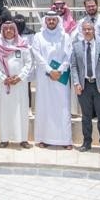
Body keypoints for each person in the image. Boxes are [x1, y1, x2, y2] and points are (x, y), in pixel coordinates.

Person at [31, 10, 73, 149]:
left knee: (62, 107)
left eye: (54, 20)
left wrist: (59, 70)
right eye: (49, 20)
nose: (51, 22)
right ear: (45, 21)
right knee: (44, 107)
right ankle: (43, 138)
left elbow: (68, 55)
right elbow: (37, 55)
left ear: (57, 21)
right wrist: (49, 70)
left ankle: (65, 140)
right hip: (44, 76)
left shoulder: (65, 36)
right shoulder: (38, 36)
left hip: (61, 77)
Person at [69, 21, 100, 154]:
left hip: (99, 86)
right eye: (85, 29)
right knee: (86, 116)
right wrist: (76, 83)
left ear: (94, 31)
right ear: (82, 31)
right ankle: (87, 142)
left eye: (90, 29)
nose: (87, 32)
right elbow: (74, 66)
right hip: (84, 85)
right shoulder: (76, 47)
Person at [0, 20, 33, 148]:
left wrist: (20, 77)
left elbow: (28, 63)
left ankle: (23, 139)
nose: (8, 31)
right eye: (6, 29)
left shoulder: (23, 44)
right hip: (4, 85)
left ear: (15, 30)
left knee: (21, 110)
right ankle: (4, 138)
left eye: (11, 29)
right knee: (4, 110)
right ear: (2, 31)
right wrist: (4, 78)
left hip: (20, 85)